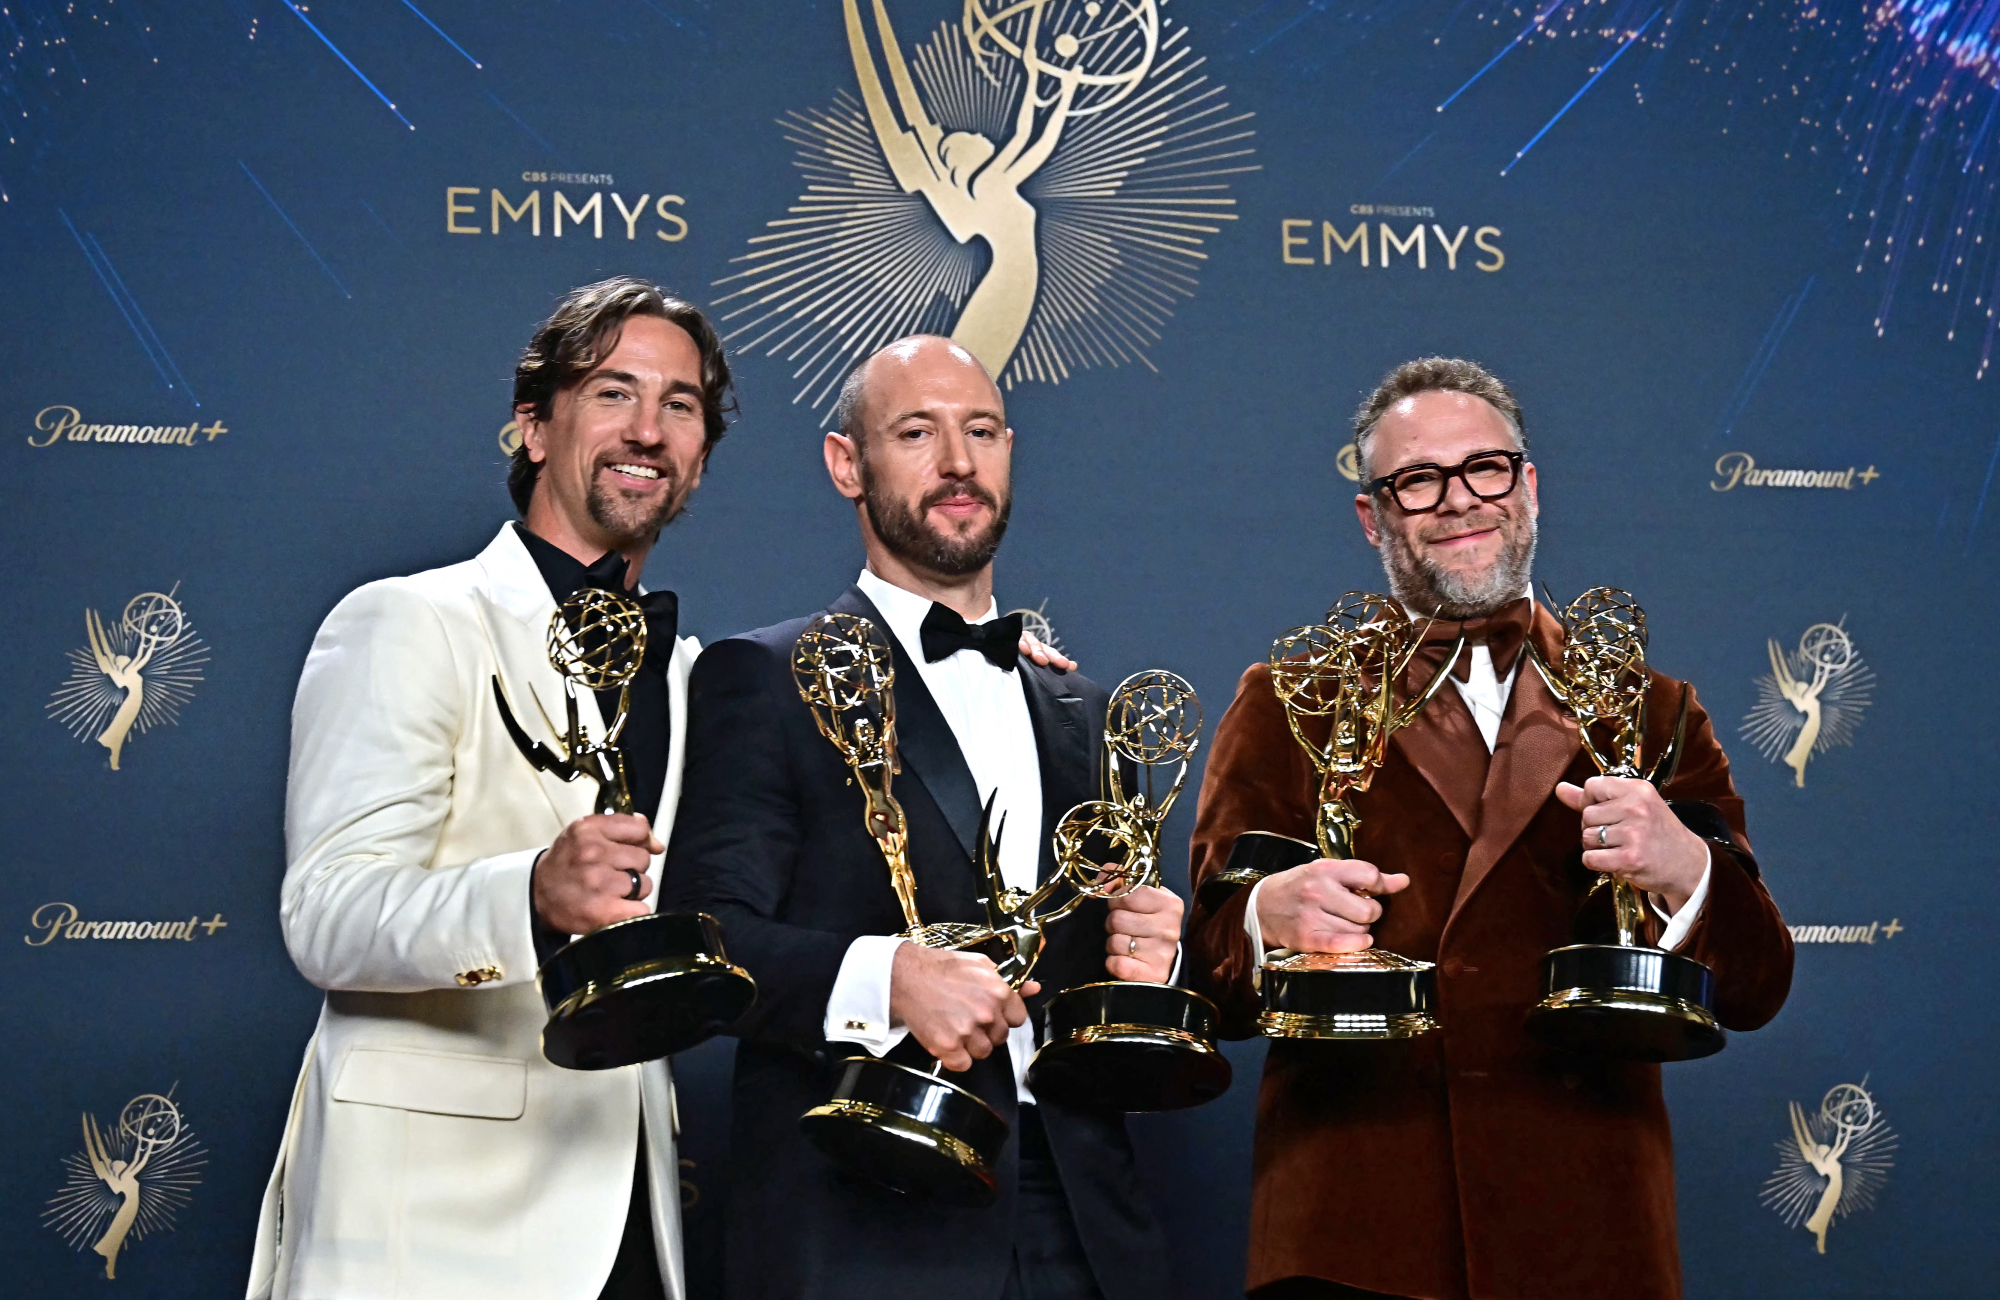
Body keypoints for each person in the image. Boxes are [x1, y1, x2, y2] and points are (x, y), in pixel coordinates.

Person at [1184, 357, 1796, 1300]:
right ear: (1372, 516)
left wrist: (1687, 869)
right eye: (1418, 480)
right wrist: (1265, 920)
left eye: (1485, 468)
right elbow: (1208, 981)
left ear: (1529, 484)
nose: (1459, 500)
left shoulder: (1655, 710)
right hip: (1353, 1240)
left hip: (1589, 1242)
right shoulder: (1287, 701)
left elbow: (1756, 988)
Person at [661, 335, 1181, 1300]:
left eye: (981, 431)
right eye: (915, 433)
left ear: (1010, 450)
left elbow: (1099, 972)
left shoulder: (1088, 710)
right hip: (865, 1220)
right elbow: (706, 941)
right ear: (845, 464)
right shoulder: (767, 677)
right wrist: (887, 979)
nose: (957, 462)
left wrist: (1149, 965)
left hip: (1083, 1224)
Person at [247, 277, 736, 1300]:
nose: (647, 429)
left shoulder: (693, 677)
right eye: (612, 392)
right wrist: (529, 895)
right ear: (533, 427)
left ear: (699, 453)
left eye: (680, 405)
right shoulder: (408, 620)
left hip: (628, 1214)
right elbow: (326, 913)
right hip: (423, 1231)